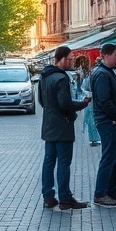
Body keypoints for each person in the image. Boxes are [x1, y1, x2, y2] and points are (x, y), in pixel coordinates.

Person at [39, 45, 92, 210]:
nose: (71, 62)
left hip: (48, 125)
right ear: (60, 58)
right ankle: (65, 198)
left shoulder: (45, 76)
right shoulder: (61, 78)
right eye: (69, 59)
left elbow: (41, 101)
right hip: (62, 127)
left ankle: (48, 196)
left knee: (49, 162)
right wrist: (82, 104)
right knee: (63, 163)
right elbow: (65, 104)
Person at [91, 43, 116, 206]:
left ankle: (112, 191)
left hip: (112, 121)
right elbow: (104, 101)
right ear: (106, 55)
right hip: (108, 122)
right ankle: (101, 193)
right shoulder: (103, 74)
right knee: (109, 156)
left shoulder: (106, 72)